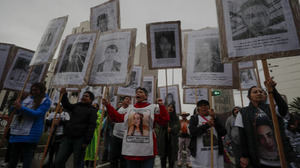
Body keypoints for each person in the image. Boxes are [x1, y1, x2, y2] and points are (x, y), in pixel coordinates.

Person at [235, 78, 296, 168]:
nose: (259, 93)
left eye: (261, 91)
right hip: (260, 160)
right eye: (255, 92)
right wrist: (245, 156)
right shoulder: (243, 113)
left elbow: (283, 109)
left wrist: (273, 90)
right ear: (249, 97)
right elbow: (243, 136)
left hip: (281, 158)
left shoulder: (272, 107)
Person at [102, 87, 170, 168]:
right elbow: (117, 118)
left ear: (146, 96)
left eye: (141, 92)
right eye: (137, 92)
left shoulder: (153, 107)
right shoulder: (130, 108)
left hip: (147, 151)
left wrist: (162, 106)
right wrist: (108, 105)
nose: (138, 93)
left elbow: (164, 120)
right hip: (131, 151)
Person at [8, 82, 51, 168]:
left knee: (27, 159)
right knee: (13, 158)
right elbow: (14, 112)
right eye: (32, 89)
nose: (33, 91)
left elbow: (37, 114)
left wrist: (21, 107)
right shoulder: (26, 99)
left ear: (41, 90)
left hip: (31, 133)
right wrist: (14, 106)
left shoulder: (45, 100)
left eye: (36, 90)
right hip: (18, 131)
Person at [54, 88, 97, 168]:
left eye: (86, 96)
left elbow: (91, 127)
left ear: (91, 100)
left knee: (77, 163)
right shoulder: (77, 105)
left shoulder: (92, 111)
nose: (84, 97)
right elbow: (66, 105)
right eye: (83, 95)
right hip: (68, 137)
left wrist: (86, 141)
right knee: (59, 160)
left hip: (80, 140)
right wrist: (64, 94)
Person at [188, 100, 227, 168]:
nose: (204, 107)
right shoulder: (194, 118)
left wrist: (215, 119)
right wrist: (207, 125)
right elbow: (193, 132)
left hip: (215, 155)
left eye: (206, 105)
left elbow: (223, 132)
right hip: (200, 156)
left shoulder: (214, 118)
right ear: (198, 109)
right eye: (201, 106)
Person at [110, 96, 132, 168]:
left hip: (125, 137)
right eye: (126, 99)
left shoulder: (131, 109)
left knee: (124, 158)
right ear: (123, 101)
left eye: (129, 99)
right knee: (113, 157)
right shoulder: (118, 109)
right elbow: (113, 118)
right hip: (116, 136)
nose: (128, 100)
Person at [156, 103, 180, 168]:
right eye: (169, 107)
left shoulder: (176, 117)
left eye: (172, 107)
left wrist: (172, 129)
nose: (170, 108)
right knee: (163, 159)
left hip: (172, 142)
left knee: (171, 160)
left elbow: (178, 127)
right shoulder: (163, 116)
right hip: (163, 141)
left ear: (174, 109)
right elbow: (159, 126)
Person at [84, 103, 102, 168]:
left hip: (94, 135)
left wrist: (92, 119)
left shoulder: (99, 115)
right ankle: (85, 163)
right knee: (86, 149)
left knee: (93, 150)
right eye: (93, 106)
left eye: (95, 106)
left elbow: (98, 123)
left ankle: (92, 164)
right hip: (86, 133)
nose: (93, 107)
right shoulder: (88, 113)